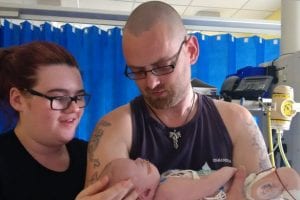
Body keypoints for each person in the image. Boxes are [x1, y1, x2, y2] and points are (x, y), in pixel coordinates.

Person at [85, 1, 272, 198]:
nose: (151, 82)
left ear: (191, 50)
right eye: (138, 71)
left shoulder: (237, 122)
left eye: (163, 66)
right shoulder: (114, 129)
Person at [0, 41, 138, 200]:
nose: (75, 108)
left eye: (78, 97)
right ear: (18, 100)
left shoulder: (91, 156)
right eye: (59, 97)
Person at [100, 158, 300, 200]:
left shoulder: (163, 181)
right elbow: (204, 187)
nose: (140, 158)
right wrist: (225, 172)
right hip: (236, 192)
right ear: (144, 193)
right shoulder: (165, 191)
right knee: (287, 176)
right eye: (138, 165)